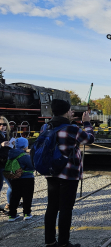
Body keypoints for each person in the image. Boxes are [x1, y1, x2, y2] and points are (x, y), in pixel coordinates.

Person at [43, 99, 94, 247]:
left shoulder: (45, 127)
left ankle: (50, 242)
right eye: (70, 110)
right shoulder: (71, 129)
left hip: (51, 172)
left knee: (52, 207)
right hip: (69, 173)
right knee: (66, 208)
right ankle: (64, 243)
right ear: (66, 112)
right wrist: (86, 123)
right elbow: (89, 139)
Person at [6, 137, 34, 222]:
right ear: (25, 146)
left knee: (15, 196)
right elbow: (32, 167)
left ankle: (12, 215)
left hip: (15, 178)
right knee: (27, 196)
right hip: (27, 178)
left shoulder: (11, 154)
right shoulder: (24, 156)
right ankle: (27, 213)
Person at [0, 116, 13, 215]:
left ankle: (9, 203)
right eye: (0, 124)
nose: (2, 126)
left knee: (12, 185)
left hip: (7, 163)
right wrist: (1, 145)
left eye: (4, 124)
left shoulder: (8, 134)